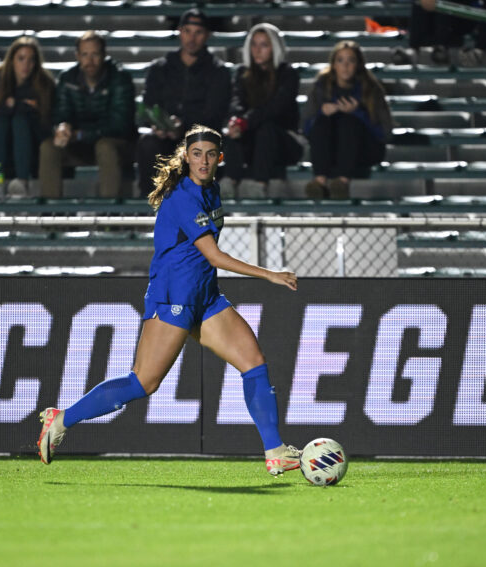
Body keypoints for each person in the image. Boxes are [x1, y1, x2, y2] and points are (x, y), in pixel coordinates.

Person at [36, 124, 303, 476]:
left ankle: (275, 452)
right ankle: (62, 419)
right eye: (197, 154)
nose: (204, 161)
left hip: (205, 297)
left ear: (220, 158)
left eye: (210, 154)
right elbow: (214, 256)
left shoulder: (212, 191)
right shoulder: (183, 197)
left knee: (253, 361)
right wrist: (269, 274)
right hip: (174, 296)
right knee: (143, 383)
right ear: (186, 157)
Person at [135, 8, 231, 197]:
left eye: (198, 32)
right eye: (187, 31)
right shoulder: (160, 68)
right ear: (180, 32)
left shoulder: (218, 71)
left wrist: (182, 126)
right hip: (164, 138)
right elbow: (148, 105)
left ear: (207, 35)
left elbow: (214, 114)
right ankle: (148, 205)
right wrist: (159, 125)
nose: (191, 38)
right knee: (147, 143)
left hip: (197, 138)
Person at [38, 31, 135, 199]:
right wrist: (62, 127)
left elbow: (120, 125)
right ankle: (52, 220)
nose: (90, 61)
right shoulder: (67, 78)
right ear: (77, 56)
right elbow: (60, 113)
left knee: (105, 147)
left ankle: (109, 218)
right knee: (49, 147)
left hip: (115, 144)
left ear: (104, 55)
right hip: (77, 144)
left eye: (95, 54)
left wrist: (82, 134)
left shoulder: (120, 78)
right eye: (85, 54)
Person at [220, 23, 302, 200]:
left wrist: (246, 121)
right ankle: (229, 181)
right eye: (254, 44)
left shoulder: (287, 73)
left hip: (283, 142)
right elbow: (236, 102)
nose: (257, 50)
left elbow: (276, 108)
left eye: (264, 45)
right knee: (233, 131)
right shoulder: (243, 72)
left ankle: (260, 185)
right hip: (252, 139)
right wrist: (237, 121)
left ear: (275, 47)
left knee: (266, 128)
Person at [302, 40, 393, 200]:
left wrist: (358, 113)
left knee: (348, 122)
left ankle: (342, 183)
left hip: (365, 150)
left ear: (358, 64)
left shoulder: (371, 88)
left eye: (351, 60)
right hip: (333, 150)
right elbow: (306, 128)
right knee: (322, 122)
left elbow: (385, 133)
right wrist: (321, 114)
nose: (345, 66)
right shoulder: (321, 86)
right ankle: (319, 182)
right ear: (334, 64)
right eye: (340, 60)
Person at [0, 36, 55, 198]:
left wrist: (14, 105)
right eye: (21, 59)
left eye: (31, 60)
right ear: (12, 59)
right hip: (4, 143)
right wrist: (24, 105)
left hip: (33, 146)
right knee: (0, 123)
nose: (26, 65)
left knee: (20, 121)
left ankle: (22, 182)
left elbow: (46, 123)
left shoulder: (45, 82)